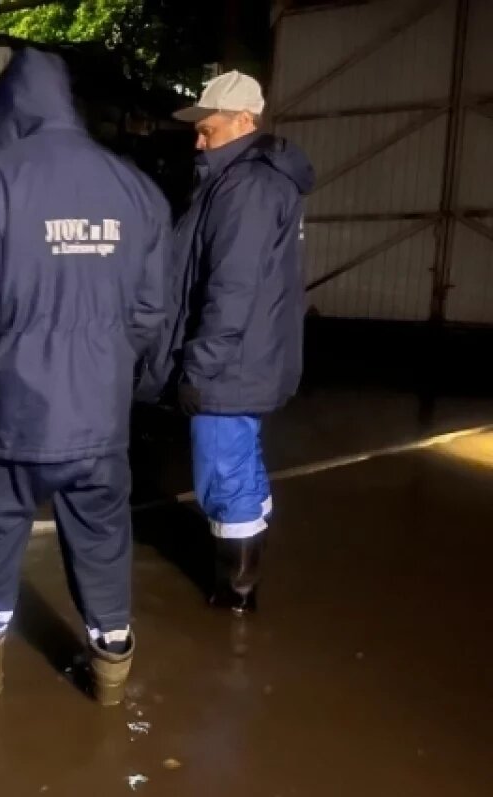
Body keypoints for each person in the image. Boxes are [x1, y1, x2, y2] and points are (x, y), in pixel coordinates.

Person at [0, 48, 170, 705]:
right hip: (98, 418)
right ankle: (109, 687)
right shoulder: (136, 189)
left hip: (7, 416)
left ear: (12, 106)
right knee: (103, 549)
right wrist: (109, 369)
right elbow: (152, 311)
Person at [138, 70, 315, 613]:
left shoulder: (247, 186)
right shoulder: (239, 179)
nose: (198, 140)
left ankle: (235, 594)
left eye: (207, 131)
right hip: (245, 359)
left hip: (231, 365)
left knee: (222, 474)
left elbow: (231, 288)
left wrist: (200, 368)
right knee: (240, 463)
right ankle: (243, 571)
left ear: (244, 121)